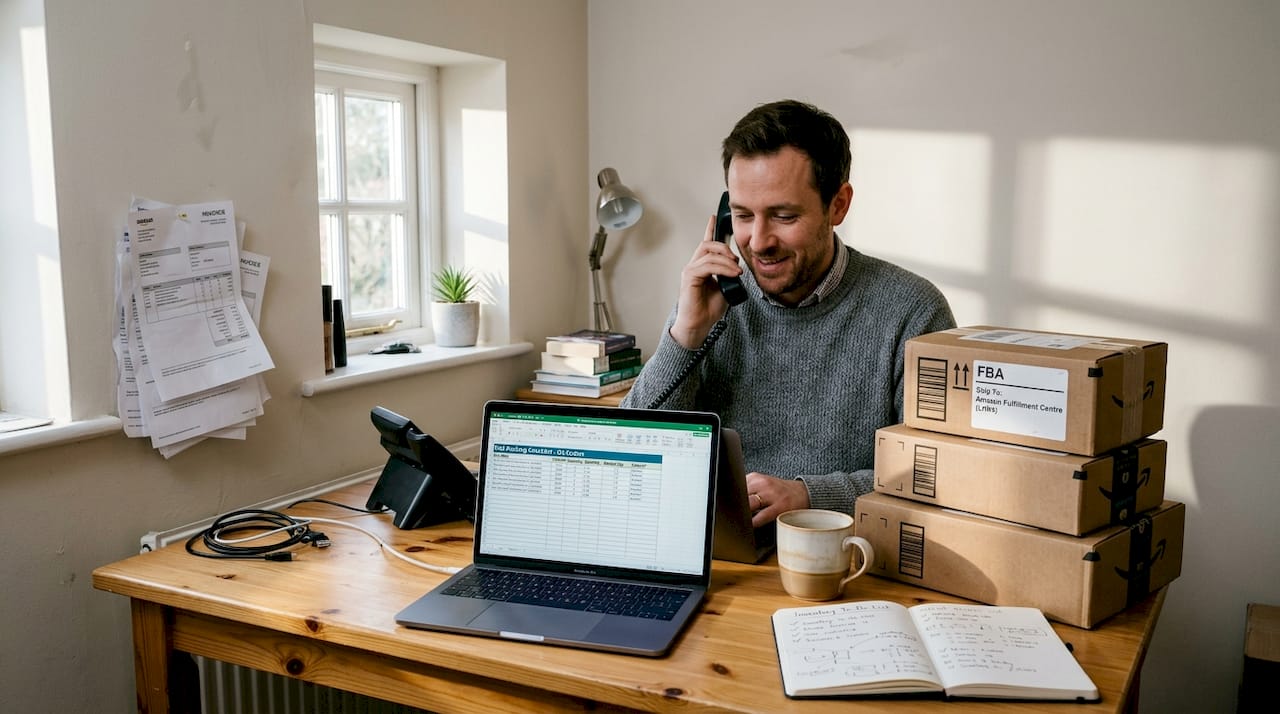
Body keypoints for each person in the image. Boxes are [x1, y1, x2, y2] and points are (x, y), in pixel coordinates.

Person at [621, 99, 955, 526]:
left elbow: (936, 470)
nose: (758, 241)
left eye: (783, 215)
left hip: (847, 558)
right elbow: (634, 454)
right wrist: (685, 337)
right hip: (723, 562)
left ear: (838, 205)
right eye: (743, 215)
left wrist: (811, 496)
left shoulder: (913, 311)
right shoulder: (709, 303)